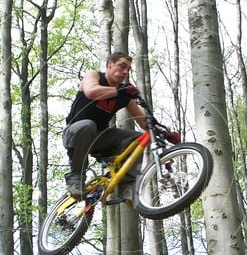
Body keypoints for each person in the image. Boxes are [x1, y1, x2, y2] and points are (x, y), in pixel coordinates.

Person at [62, 51, 178, 199]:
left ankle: (127, 187)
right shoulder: (94, 76)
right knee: (88, 125)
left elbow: (143, 121)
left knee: (139, 139)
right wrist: (120, 90)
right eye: (122, 66)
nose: (125, 72)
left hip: (100, 139)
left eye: (128, 69)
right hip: (74, 133)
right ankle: (75, 177)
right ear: (110, 64)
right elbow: (92, 92)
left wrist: (166, 134)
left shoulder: (125, 95)